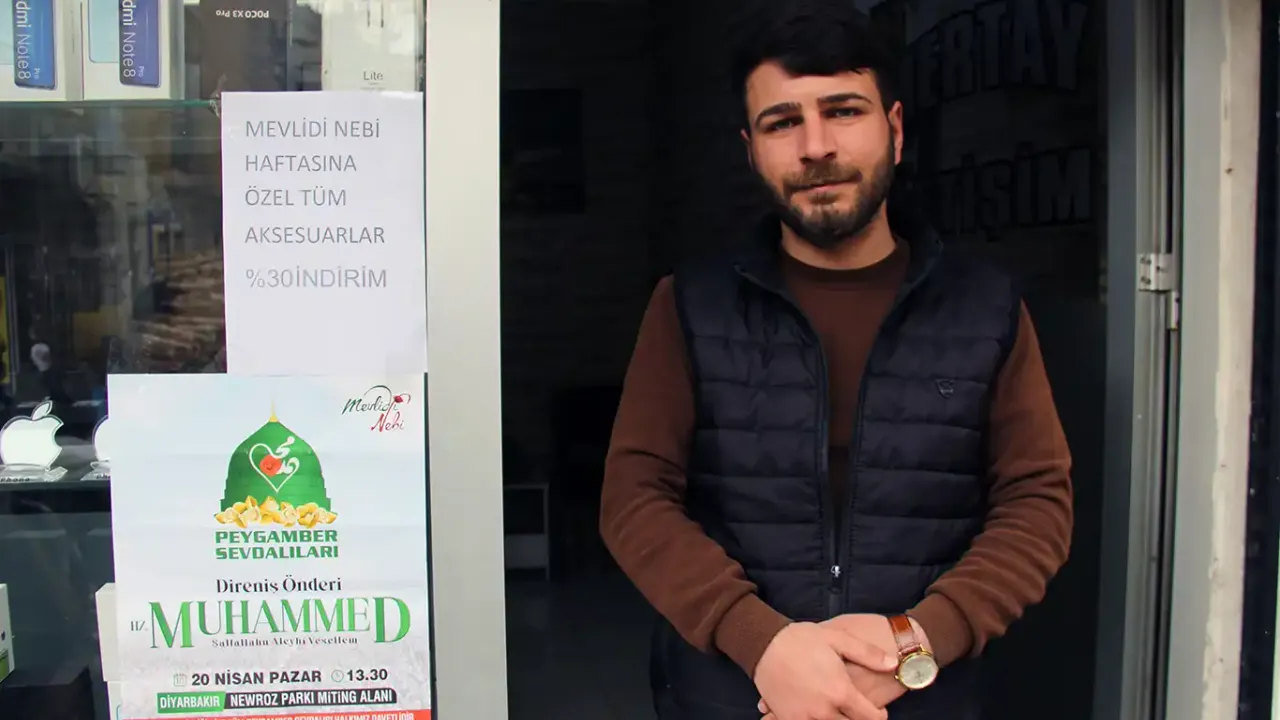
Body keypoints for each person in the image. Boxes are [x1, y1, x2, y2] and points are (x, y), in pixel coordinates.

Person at [598, 3, 1073, 719]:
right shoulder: (690, 305)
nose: (815, 146)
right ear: (751, 150)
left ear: (896, 129)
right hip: (736, 696)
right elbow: (634, 499)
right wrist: (764, 645)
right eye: (781, 122)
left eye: (843, 111)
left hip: (920, 696)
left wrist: (914, 642)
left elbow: (1036, 503)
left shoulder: (986, 307)